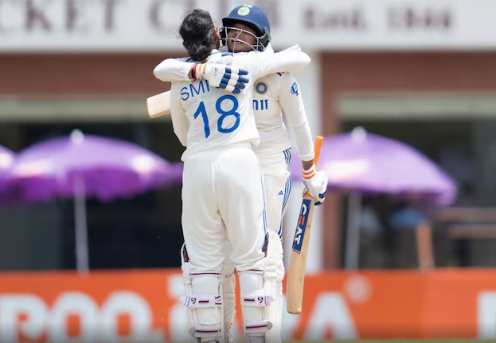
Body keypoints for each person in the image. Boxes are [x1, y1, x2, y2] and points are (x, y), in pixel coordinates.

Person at [153, 5, 328, 343]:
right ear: (219, 33)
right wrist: (198, 73)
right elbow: (170, 73)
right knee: (224, 261)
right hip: (238, 161)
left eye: (245, 33)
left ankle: (267, 335)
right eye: (232, 30)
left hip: (267, 163)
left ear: (260, 38)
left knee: (267, 256)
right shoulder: (224, 64)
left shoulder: (270, 72)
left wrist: (309, 169)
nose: (236, 38)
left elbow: (300, 122)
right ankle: (224, 333)